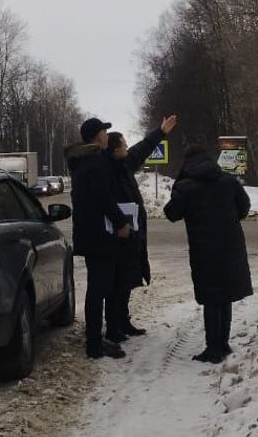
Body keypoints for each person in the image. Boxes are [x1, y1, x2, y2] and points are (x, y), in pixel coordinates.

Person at [164, 143, 253, 364]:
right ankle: (223, 344)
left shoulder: (186, 186)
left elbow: (172, 213)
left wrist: (179, 182)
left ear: (187, 163)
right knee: (226, 296)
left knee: (212, 297)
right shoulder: (228, 181)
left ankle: (213, 349)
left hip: (204, 248)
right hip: (231, 245)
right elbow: (244, 207)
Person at [103, 115, 178, 342]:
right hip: (117, 232)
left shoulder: (124, 164)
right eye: (124, 144)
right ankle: (113, 327)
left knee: (125, 280)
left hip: (130, 231)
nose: (127, 147)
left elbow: (142, 148)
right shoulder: (106, 171)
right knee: (116, 283)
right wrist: (120, 223)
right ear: (115, 150)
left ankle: (123, 322)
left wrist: (161, 131)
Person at [65, 117, 132, 360]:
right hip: (98, 235)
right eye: (104, 131)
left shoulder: (87, 160)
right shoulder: (93, 163)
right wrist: (121, 222)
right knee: (98, 290)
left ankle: (96, 339)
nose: (107, 135)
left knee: (99, 288)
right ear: (96, 136)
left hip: (91, 234)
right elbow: (103, 198)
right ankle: (94, 345)